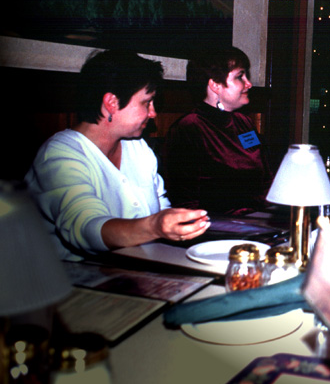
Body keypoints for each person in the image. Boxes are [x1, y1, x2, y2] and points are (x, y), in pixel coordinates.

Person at [25, 50, 210, 261]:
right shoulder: (60, 154)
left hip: (136, 269)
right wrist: (154, 226)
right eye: (146, 102)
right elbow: (85, 229)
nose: (153, 113)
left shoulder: (138, 148)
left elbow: (161, 208)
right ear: (111, 102)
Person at [163, 47, 272, 215]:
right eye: (240, 76)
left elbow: (264, 176)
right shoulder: (189, 128)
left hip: (258, 218)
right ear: (215, 85)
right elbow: (184, 200)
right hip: (213, 225)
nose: (249, 84)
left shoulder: (244, 124)